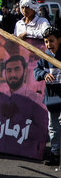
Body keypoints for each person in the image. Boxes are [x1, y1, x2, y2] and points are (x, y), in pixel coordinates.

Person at [0, 54, 48, 157]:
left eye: (17, 69)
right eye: (9, 70)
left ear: (25, 71)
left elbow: (41, 135)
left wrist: (16, 117)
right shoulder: (0, 98)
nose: (12, 74)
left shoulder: (36, 100)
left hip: (23, 158)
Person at [34, 27, 61, 166]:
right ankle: (55, 154)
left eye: (51, 41)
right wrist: (44, 75)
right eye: (46, 41)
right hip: (52, 99)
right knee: (53, 127)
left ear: (59, 40)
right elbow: (36, 71)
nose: (49, 44)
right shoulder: (45, 56)